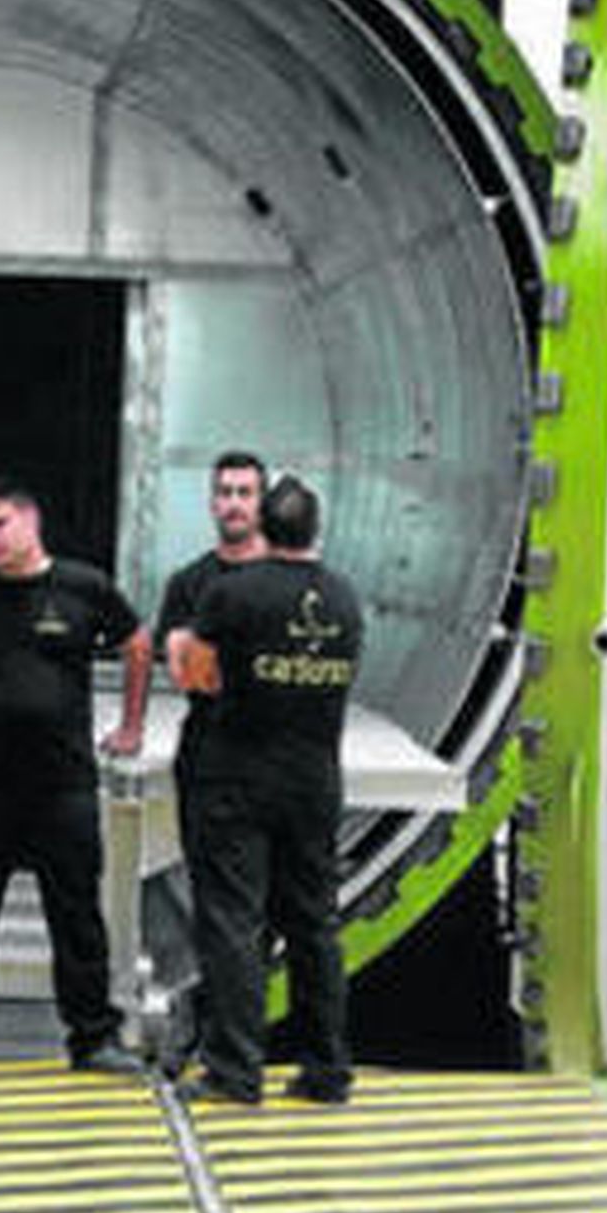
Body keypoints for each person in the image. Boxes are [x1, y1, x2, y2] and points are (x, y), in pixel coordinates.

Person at [0, 483, 151, 1072]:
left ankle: (93, 1039)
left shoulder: (82, 586)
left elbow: (137, 642)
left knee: (76, 915)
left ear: (32, 522)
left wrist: (132, 725)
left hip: (64, 784)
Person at [173, 471, 364, 1106]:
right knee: (314, 926)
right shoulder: (343, 598)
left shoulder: (232, 593)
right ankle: (327, 1069)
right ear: (316, 528)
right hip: (314, 780)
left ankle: (235, 1070)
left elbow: (198, 677)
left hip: (237, 777)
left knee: (233, 921)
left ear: (263, 524)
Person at [156, 449, 269, 1074]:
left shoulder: (288, 579)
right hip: (209, 758)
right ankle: (206, 1028)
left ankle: (238, 1039)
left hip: (272, 763)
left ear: (262, 502)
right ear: (210, 501)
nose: (233, 503)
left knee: (262, 908)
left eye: (244, 493)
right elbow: (191, 677)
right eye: (224, 492)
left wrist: (218, 661)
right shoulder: (190, 583)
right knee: (212, 902)